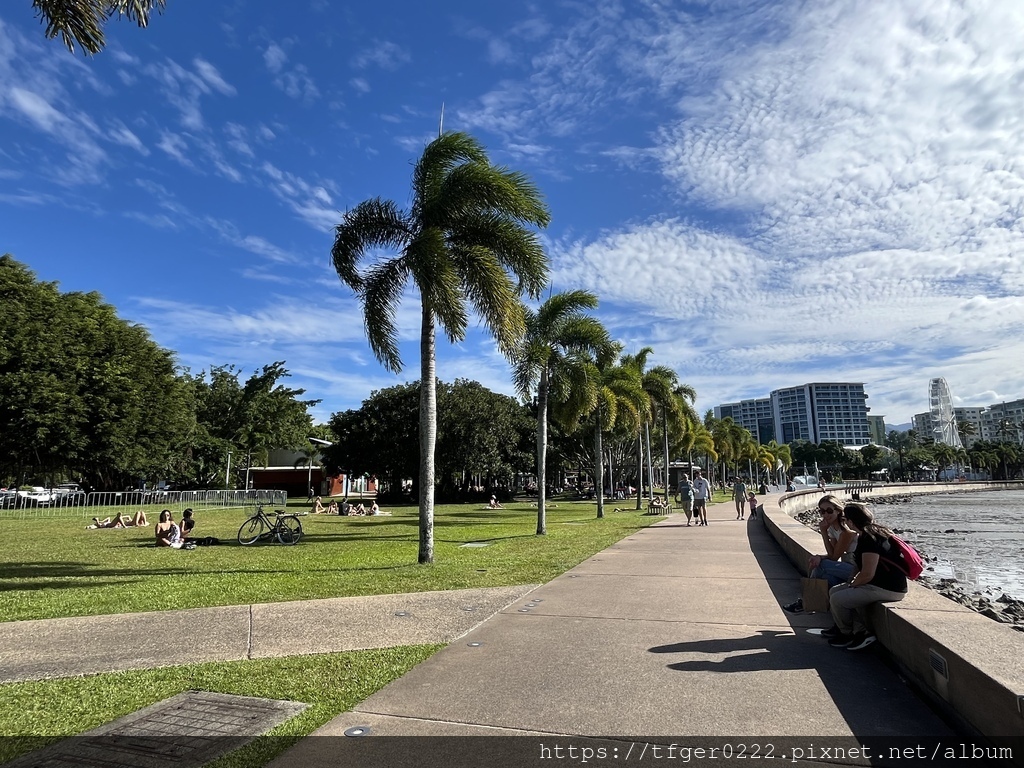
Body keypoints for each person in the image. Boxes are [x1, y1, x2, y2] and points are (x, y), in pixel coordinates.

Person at [825, 502, 908, 650]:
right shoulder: (870, 533)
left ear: (851, 521)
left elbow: (868, 573)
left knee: (838, 599)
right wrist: (851, 580)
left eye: (845, 520)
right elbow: (859, 563)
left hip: (887, 587)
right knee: (834, 591)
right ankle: (858, 630)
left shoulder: (870, 538)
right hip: (879, 583)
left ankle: (848, 635)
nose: (844, 523)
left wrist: (852, 585)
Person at [783, 495, 858, 613]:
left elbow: (834, 557)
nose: (825, 515)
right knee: (826, 578)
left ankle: (805, 602)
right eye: (822, 511)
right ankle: (813, 604)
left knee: (821, 566)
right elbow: (832, 553)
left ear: (838, 511)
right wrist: (820, 555)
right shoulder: (833, 528)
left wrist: (823, 532)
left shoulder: (847, 530)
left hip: (857, 570)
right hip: (847, 567)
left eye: (829, 511)